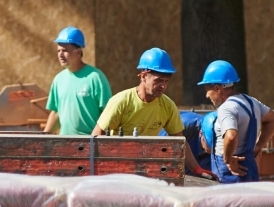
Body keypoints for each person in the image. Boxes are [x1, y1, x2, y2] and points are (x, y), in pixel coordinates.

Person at [91, 48, 217, 179]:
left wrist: (197, 169)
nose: (163, 85)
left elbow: (180, 143)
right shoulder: (121, 102)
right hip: (117, 170)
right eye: (159, 80)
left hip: (145, 170)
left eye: (166, 81)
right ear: (144, 76)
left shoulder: (168, 106)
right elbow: (96, 136)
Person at [198, 60, 274, 183]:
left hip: (230, 172)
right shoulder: (252, 102)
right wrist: (259, 145)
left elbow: (231, 136)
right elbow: (273, 119)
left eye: (207, 89)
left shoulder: (226, 108)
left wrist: (228, 160)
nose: (207, 95)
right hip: (249, 167)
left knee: (228, 202)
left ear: (217, 88)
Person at [43, 26, 112, 135]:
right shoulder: (58, 79)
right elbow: (56, 112)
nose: (60, 55)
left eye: (65, 50)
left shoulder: (95, 77)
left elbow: (109, 113)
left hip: (90, 145)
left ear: (78, 52)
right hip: (64, 144)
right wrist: (43, 138)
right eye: (58, 51)